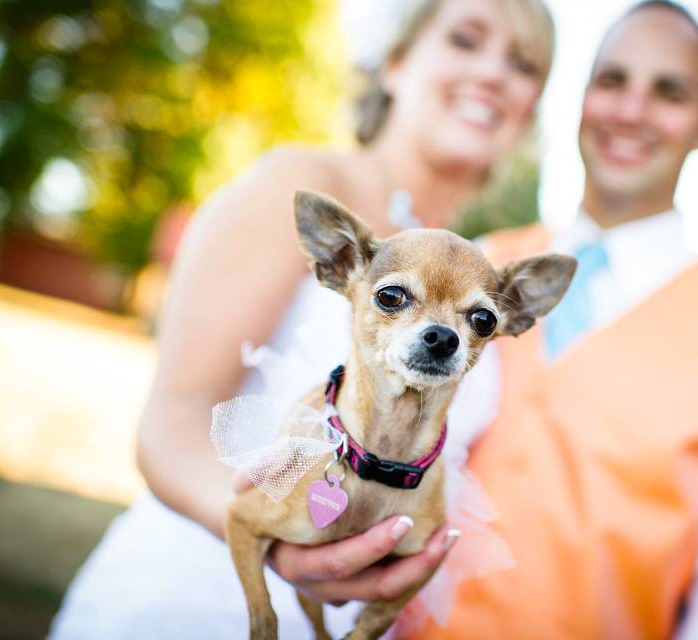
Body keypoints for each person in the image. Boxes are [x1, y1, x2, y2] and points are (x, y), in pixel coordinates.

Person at [49, 1, 554, 637]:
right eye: (466, 39)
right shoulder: (303, 183)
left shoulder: (484, 276)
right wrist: (282, 538)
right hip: (190, 602)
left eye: (524, 63)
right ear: (393, 64)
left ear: (532, 108)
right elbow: (170, 424)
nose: (493, 73)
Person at [396, 2, 698, 638]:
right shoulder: (472, 266)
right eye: (612, 81)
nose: (631, 111)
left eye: (668, 92)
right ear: (582, 96)